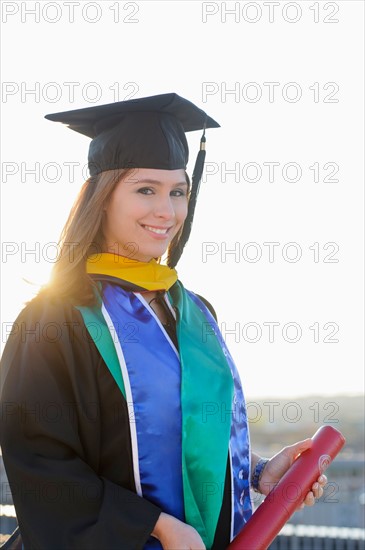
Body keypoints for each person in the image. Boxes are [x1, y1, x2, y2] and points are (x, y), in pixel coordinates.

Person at [0, 93, 326, 550]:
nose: (167, 212)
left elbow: (185, 427)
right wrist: (156, 526)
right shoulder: (54, 320)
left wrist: (254, 472)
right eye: (145, 190)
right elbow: (40, 462)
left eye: (178, 192)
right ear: (102, 198)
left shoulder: (194, 311)